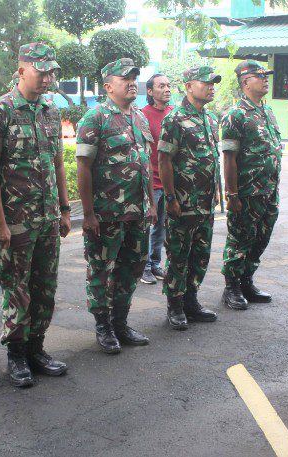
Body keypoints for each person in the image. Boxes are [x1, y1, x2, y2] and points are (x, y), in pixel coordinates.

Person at [0, 43, 70, 388]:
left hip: (47, 218)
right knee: (16, 289)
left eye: (51, 72)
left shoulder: (50, 111)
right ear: (21, 71)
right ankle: (16, 355)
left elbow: (57, 164)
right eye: (41, 71)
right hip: (15, 221)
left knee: (45, 287)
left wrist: (64, 209)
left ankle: (37, 349)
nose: (47, 78)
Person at [76, 58, 158, 354]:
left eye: (134, 78)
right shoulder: (95, 118)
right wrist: (88, 214)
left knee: (131, 269)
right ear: (108, 86)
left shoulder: (139, 118)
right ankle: (103, 326)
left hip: (138, 213)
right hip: (106, 214)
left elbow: (145, 164)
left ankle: (120, 323)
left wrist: (151, 204)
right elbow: (83, 167)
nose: (132, 83)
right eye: (125, 79)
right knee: (101, 270)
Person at [157, 65, 221, 330]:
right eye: (206, 83)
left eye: (213, 83)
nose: (211, 87)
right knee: (178, 254)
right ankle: (175, 304)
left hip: (205, 203)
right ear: (189, 86)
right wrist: (170, 197)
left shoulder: (211, 119)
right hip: (183, 202)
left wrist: (216, 193)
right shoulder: (175, 119)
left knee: (200, 254)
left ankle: (191, 301)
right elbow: (164, 160)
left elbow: (212, 160)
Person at [220, 60, 282, 311]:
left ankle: (247, 280)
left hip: (269, 191)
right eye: (260, 76)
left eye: (266, 76)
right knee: (240, 239)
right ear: (246, 82)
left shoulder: (267, 112)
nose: (266, 80)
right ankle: (231, 286)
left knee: (261, 238)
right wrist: (232, 194)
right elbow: (229, 158)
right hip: (247, 192)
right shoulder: (236, 115)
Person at [140, 73, 173, 285]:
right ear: (151, 91)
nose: (167, 89)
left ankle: (154, 263)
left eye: (168, 85)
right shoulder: (142, 115)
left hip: (167, 182)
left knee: (161, 227)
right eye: (161, 86)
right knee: (147, 226)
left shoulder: (173, 114)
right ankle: (143, 267)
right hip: (150, 183)